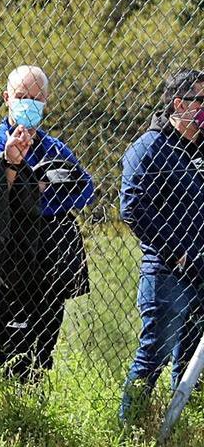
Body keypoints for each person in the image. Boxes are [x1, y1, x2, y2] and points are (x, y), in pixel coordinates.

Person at [0, 66, 94, 380]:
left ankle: (33, 409)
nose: (28, 104)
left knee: (42, 353)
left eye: (36, 98)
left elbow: (85, 188)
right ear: (6, 98)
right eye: (22, 97)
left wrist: (40, 201)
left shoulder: (54, 148)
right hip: (7, 265)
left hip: (49, 264)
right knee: (3, 354)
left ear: (46, 101)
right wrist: (28, 188)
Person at [118, 69, 204, 422]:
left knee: (191, 365)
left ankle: (180, 426)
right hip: (169, 274)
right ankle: (129, 430)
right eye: (201, 102)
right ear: (179, 104)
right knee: (153, 358)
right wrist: (177, 252)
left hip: (198, 274)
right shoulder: (150, 147)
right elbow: (132, 206)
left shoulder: (194, 149)